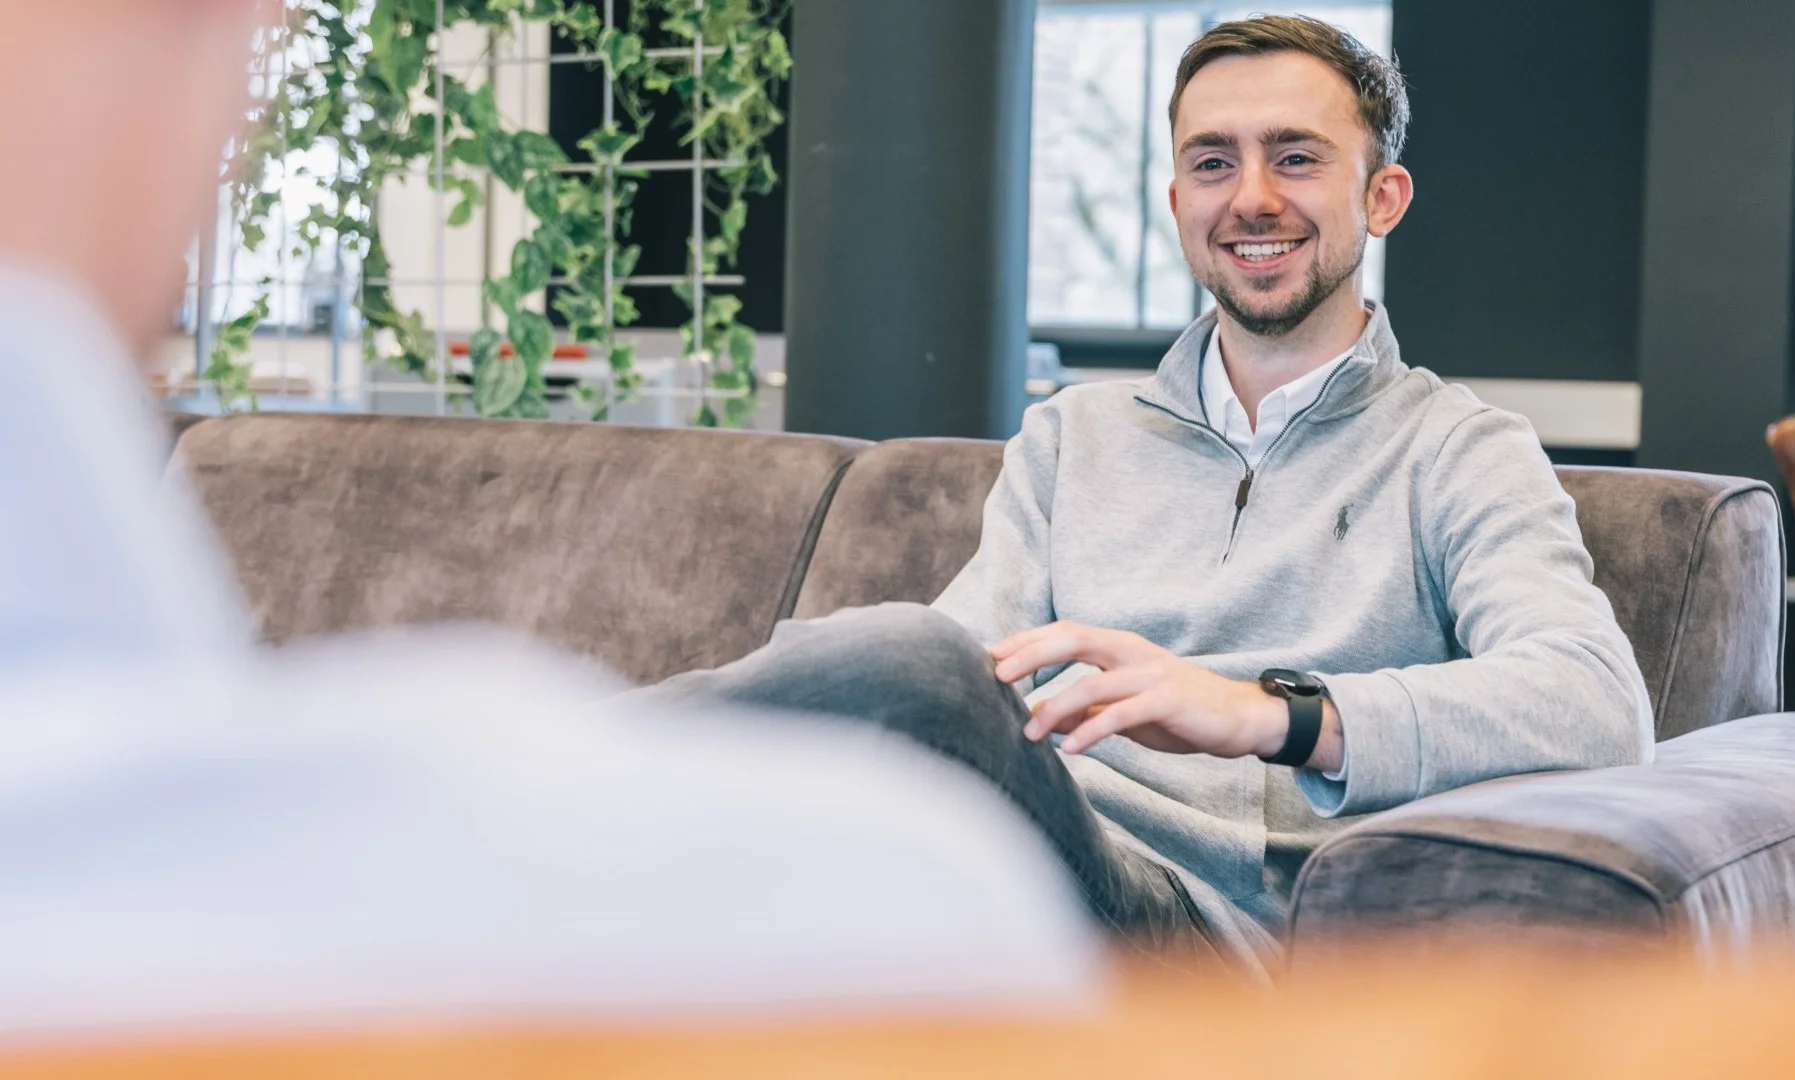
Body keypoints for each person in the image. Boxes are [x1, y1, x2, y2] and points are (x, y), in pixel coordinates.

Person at [0, 1, 1101, 1032]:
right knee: (922, 660)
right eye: (1192, 161)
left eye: (1282, 155)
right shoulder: (905, 902)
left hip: (1174, 892)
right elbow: (985, 655)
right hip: (1045, 803)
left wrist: (1225, 700)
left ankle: (611, 746)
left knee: (914, 661)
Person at [635, 15, 1655, 965]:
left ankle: (571, 763)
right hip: (1020, 855)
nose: (1251, 197)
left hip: (1203, 925)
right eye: (1213, 162)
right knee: (889, 706)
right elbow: (963, 671)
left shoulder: (1459, 449)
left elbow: (1596, 700)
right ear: (1178, 205)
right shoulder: (1073, 435)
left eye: (1296, 157)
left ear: (1381, 197)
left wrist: (1268, 714)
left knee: (910, 667)